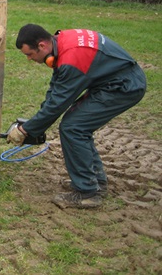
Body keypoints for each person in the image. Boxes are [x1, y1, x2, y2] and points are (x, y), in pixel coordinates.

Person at [8, 24, 146, 209]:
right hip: (111, 80)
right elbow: (56, 89)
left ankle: (87, 193)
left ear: (42, 45)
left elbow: (58, 104)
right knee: (76, 126)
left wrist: (25, 130)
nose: (29, 59)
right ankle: (96, 182)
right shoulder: (62, 41)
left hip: (123, 87)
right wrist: (35, 123)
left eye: (29, 54)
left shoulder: (72, 59)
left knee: (74, 128)